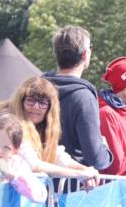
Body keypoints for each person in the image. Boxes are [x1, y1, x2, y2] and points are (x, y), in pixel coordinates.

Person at [43, 26, 112, 171]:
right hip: (74, 186)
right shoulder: (83, 98)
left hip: (37, 182)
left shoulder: (35, 89)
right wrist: (106, 151)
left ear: (56, 54)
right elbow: (95, 157)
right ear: (86, 54)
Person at [7, 77, 99, 182]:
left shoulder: (41, 130)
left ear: (50, 108)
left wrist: (86, 169)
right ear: (20, 102)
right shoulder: (10, 124)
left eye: (42, 103)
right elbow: (34, 164)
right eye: (30, 100)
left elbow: (59, 157)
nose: (36, 107)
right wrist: (79, 174)